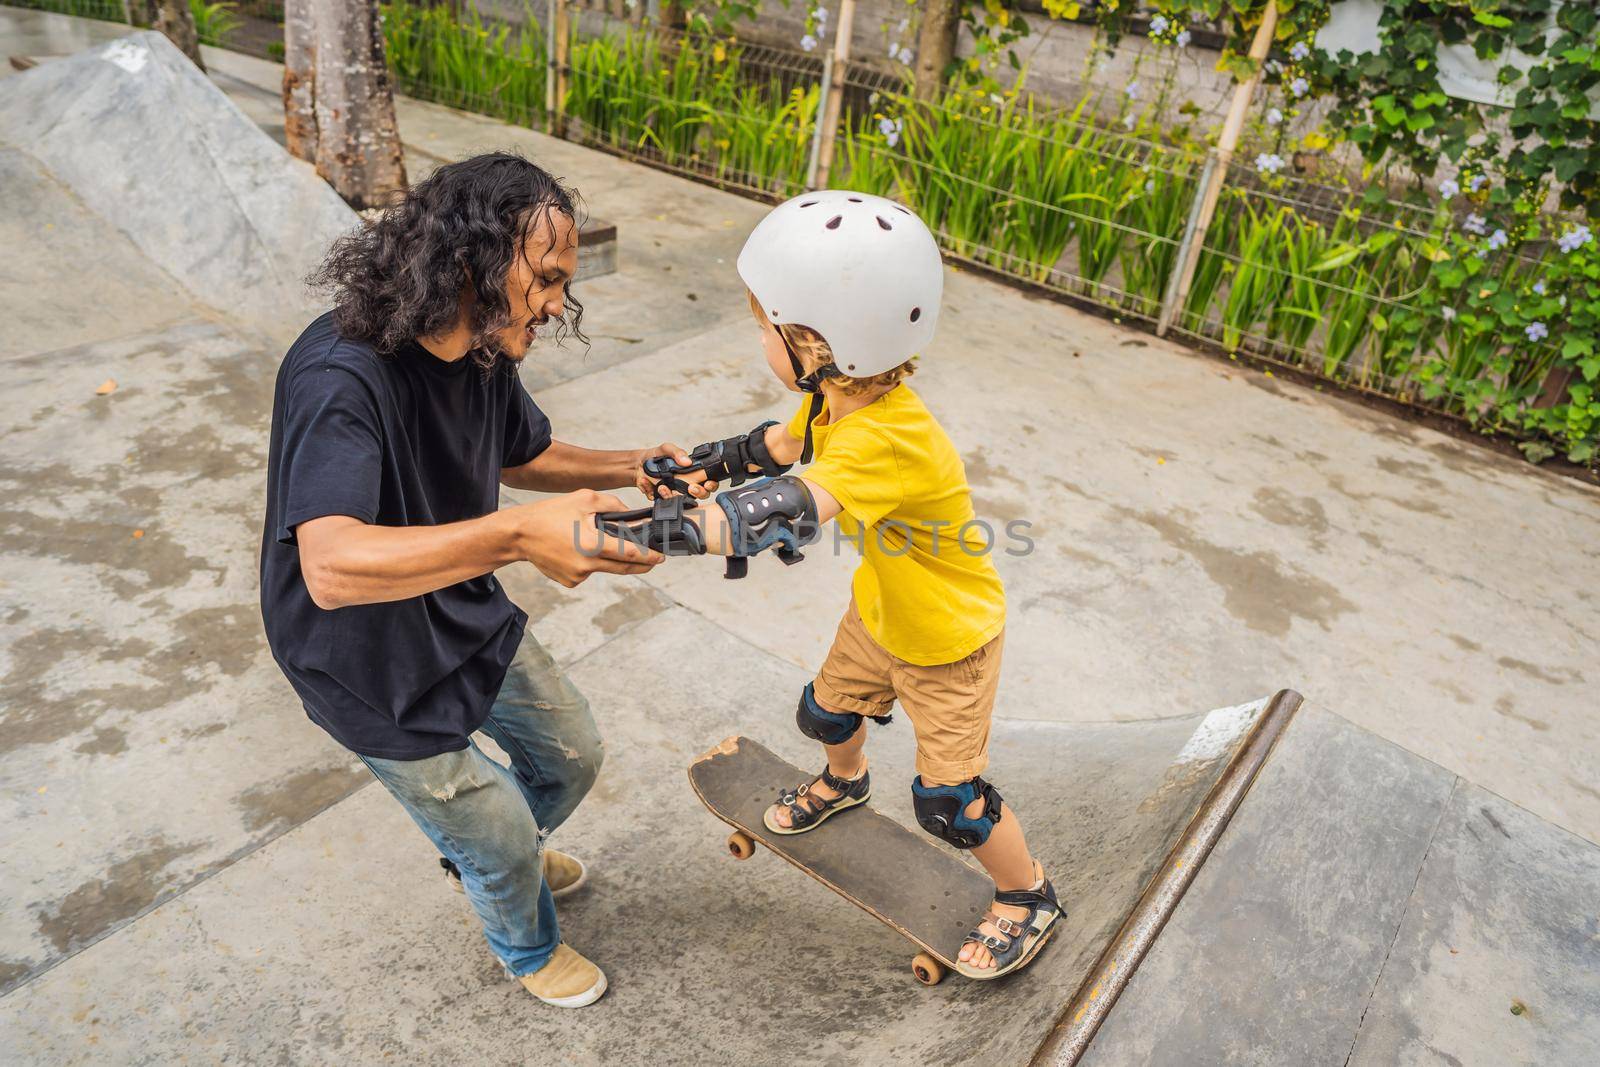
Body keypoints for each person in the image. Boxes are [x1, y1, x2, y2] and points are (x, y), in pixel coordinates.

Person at [258, 152, 706, 1008]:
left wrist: (630, 466)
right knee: (496, 828)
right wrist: (514, 535)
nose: (554, 303)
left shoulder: (482, 344)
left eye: (561, 283)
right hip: (360, 654)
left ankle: (489, 857)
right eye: (543, 277)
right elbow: (331, 565)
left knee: (572, 753)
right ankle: (525, 941)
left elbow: (522, 453)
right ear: (470, 259)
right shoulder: (339, 375)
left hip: (455, 605)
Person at [609, 190, 1060, 978]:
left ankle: (1028, 893)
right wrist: (702, 468)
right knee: (823, 712)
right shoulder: (838, 400)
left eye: (766, 325)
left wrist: (640, 531)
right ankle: (846, 782)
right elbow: (779, 449)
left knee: (947, 805)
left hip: (949, 642)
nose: (759, 337)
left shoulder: (890, 438)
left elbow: (792, 505)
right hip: (882, 613)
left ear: (817, 340)